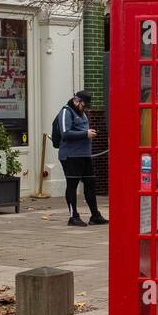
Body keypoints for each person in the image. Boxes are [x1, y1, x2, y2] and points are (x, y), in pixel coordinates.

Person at [58, 91, 107, 227]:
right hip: (70, 155)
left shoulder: (82, 113)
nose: (85, 108)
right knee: (72, 185)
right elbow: (65, 133)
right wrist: (85, 134)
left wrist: (89, 132)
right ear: (77, 101)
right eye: (84, 105)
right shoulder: (66, 112)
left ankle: (95, 215)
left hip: (85, 155)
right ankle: (73, 216)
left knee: (90, 184)